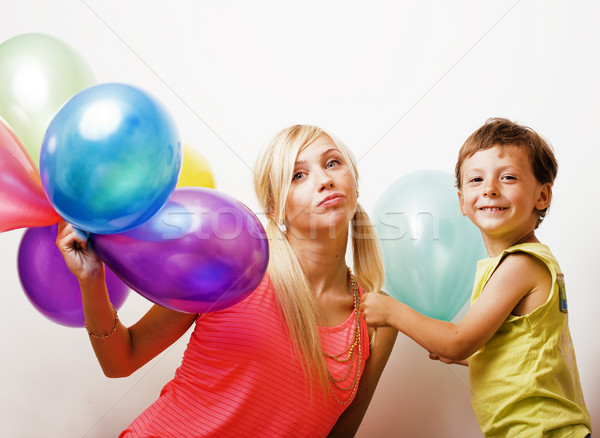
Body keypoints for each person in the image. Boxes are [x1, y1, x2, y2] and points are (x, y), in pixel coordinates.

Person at [57, 124, 397, 438]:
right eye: (298, 175)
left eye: (333, 163)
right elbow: (121, 360)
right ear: (276, 207)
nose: (324, 180)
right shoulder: (232, 264)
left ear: (354, 179)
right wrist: (91, 280)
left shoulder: (378, 325)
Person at [360, 118, 592, 437]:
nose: (490, 189)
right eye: (476, 179)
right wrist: (474, 358)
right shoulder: (513, 264)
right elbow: (519, 353)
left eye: (508, 177)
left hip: (541, 430)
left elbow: (458, 341)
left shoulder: (521, 264)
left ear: (542, 196)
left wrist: (391, 312)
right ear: (461, 202)